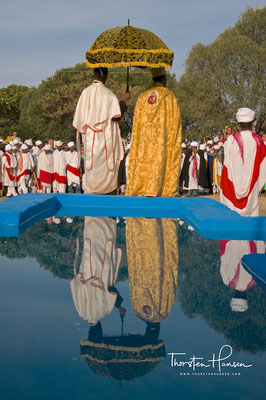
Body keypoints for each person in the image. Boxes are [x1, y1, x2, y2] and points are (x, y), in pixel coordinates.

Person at [126, 68, 182, 197]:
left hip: (144, 144)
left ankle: (140, 186)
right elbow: (176, 126)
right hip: (161, 145)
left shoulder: (142, 97)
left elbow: (136, 126)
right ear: (164, 78)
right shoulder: (169, 96)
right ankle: (161, 188)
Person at [73, 67, 129, 195]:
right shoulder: (109, 94)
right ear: (105, 76)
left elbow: (79, 121)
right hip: (105, 141)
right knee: (107, 170)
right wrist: (125, 100)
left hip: (90, 141)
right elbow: (117, 115)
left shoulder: (85, 93)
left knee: (91, 168)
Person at [220, 108, 266, 216]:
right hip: (252, 190)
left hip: (231, 189)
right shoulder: (259, 143)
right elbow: (263, 167)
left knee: (232, 222)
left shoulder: (230, 141)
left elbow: (227, 165)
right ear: (253, 123)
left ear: (238, 125)